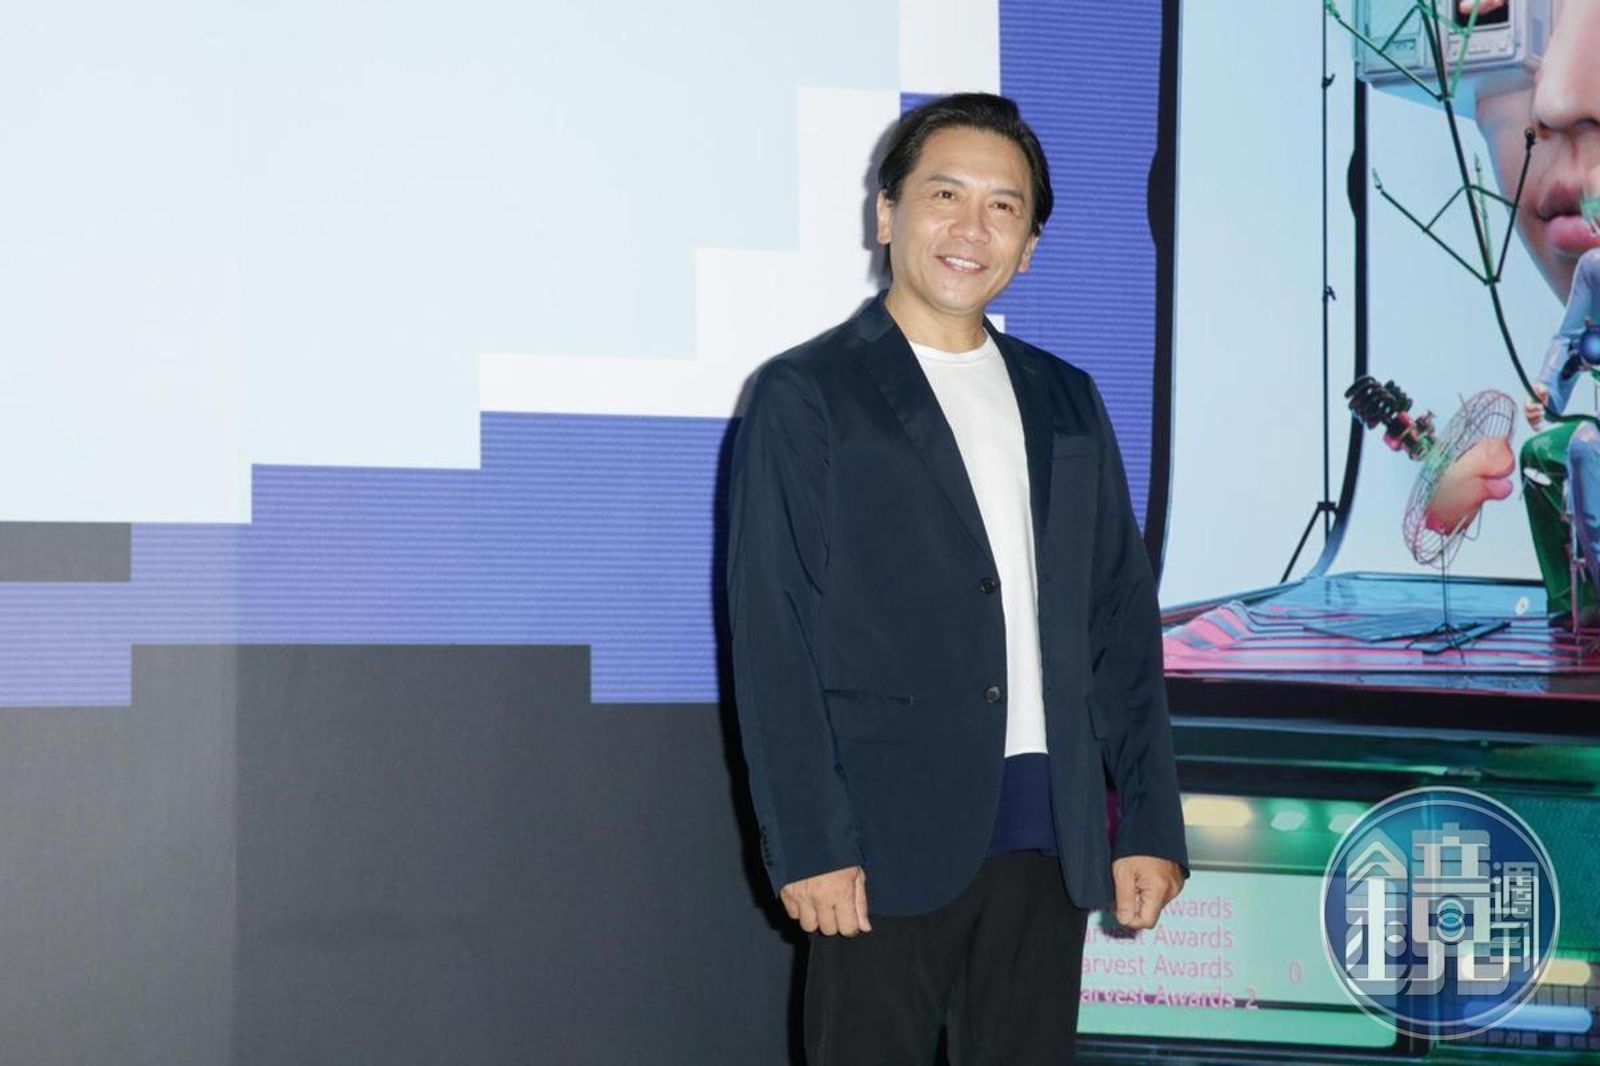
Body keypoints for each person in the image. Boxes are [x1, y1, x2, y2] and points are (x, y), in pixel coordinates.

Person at [725, 93, 1188, 1065]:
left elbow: (1120, 625)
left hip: (1049, 832)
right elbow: (774, 634)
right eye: (945, 195)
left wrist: (1148, 822)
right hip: (882, 840)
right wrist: (810, 842)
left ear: (1029, 247)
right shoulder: (807, 393)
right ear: (886, 213)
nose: (972, 228)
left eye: (1002, 207)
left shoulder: (1067, 398)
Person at [1466, 0, 1600, 623]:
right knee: (1553, 453)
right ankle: (1580, 598)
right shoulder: (1592, 273)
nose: (1557, 99)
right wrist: (1547, 389)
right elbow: (1569, 340)